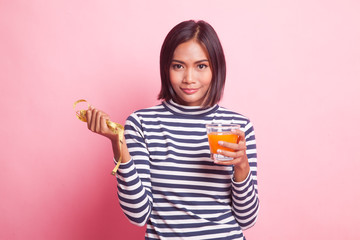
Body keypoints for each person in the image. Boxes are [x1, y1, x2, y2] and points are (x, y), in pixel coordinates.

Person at [86, 20, 259, 240]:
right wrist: (118, 144)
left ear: (216, 68)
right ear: (166, 68)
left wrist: (242, 167)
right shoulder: (142, 124)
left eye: (201, 66)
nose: (189, 78)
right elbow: (138, 215)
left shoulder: (239, 126)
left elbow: (247, 219)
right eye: (178, 66)